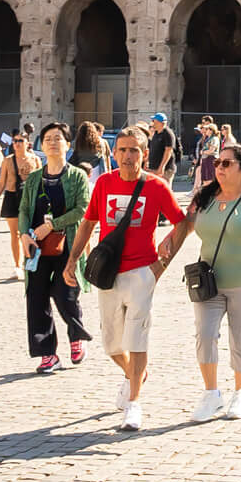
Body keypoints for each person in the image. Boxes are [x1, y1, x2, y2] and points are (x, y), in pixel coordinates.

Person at [66, 125, 186, 431]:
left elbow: (183, 223)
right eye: (123, 150)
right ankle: (135, 373)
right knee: (111, 344)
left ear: (144, 155)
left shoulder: (157, 187)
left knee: (137, 338)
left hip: (142, 272)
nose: (128, 156)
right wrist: (72, 261)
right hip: (108, 273)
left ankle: (134, 404)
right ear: (114, 153)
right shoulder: (104, 183)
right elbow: (87, 224)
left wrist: (161, 264)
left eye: (134, 150)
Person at [156, 144, 241, 423]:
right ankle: (211, 394)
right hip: (208, 280)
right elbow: (186, 225)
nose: (219, 168)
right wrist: (170, 239)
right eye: (217, 163)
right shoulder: (205, 196)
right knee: (205, 335)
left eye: (226, 164)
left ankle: (240, 393)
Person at [17, 121, 91, 375]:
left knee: (65, 293)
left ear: (67, 145)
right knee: (36, 298)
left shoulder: (77, 176)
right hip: (36, 247)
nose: (52, 142)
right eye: (47, 138)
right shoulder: (35, 177)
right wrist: (24, 236)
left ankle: (75, 335)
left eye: (57, 138)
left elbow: (82, 209)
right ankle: (47, 354)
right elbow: (24, 209)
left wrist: (53, 225)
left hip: (67, 244)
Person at [0, 131, 39, 278]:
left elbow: (41, 181)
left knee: (30, 232)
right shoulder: (7, 160)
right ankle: (17, 266)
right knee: (15, 234)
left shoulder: (35, 159)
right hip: (12, 196)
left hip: (30, 199)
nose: (17, 143)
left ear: (27, 143)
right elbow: (2, 182)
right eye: (15, 141)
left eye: (20, 141)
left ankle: (30, 262)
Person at [144, 113, 177, 188]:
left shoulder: (168, 133)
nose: (153, 123)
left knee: (165, 189)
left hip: (165, 169)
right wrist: (147, 161)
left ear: (161, 123)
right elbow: (152, 148)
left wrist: (162, 167)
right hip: (154, 167)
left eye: (154, 121)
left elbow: (168, 151)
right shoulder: (156, 133)